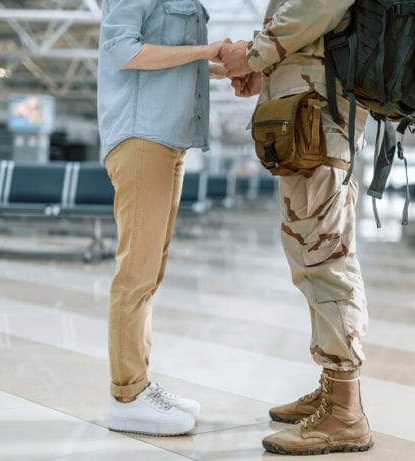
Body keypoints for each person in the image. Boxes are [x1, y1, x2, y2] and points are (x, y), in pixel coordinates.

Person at [221, 0, 373, 455]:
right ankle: (332, 386)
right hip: (306, 117)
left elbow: (316, 6)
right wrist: (264, 68)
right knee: (311, 258)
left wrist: (251, 54)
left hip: (319, 122)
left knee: (326, 259)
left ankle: (345, 412)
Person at [97, 0, 228, 436]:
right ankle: (127, 396)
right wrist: (203, 52)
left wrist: (217, 68)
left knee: (150, 273)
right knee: (135, 274)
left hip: (167, 138)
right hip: (141, 135)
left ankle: (140, 384)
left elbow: (165, 55)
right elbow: (124, 51)